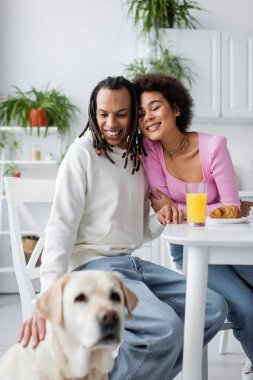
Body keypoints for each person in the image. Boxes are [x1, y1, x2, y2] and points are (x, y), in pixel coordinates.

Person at [19, 76, 227, 380]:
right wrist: (48, 297)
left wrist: (159, 218)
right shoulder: (83, 154)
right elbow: (61, 226)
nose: (111, 123)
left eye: (121, 114)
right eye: (103, 114)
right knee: (164, 327)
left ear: (134, 114)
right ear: (93, 112)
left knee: (211, 307)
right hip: (91, 269)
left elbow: (136, 233)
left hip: (131, 265)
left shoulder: (138, 157)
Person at [133, 72, 253, 380]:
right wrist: (216, 209)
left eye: (155, 107)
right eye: (141, 113)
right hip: (190, 249)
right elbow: (164, 209)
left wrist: (186, 209)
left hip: (231, 242)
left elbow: (229, 208)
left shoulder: (214, 147)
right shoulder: (150, 153)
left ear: (175, 108)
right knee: (244, 305)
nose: (147, 117)